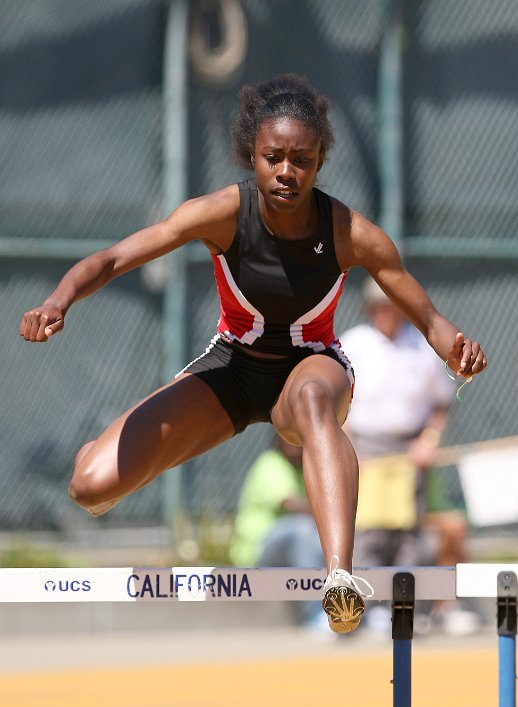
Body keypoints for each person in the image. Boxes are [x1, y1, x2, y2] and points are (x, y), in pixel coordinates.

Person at [18, 73, 487, 634]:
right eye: (273, 158)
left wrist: (454, 350)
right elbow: (116, 258)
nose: (287, 172)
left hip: (310, 367)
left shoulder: (350, 233)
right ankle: (102, 447)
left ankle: (340, 578)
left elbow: (431, 321)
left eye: (302, 161)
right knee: (90, 488)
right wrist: (58, 299)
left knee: (314, 398)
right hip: (232, 370)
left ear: (319, 163)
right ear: (252, 156)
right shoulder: (219, 213)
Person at [340, 278, 480, 635]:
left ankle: (405, 606)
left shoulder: (420, 347)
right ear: (370, 309)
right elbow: (337, 400)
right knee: (369, 531)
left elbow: (441, 401)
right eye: (381, 306)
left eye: (393, 306)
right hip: (364, 446)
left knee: (409, 532)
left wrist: (428, 441)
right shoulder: (353, 343)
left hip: (409, 448)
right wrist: (347, 448)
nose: (388, 313)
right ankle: (369, 608)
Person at [230, 436, 326, 630]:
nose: (296, 445)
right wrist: (333, 516)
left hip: (288, 550)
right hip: (256, 549)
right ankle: (313, 614)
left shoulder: (303, 467)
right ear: (280, 441)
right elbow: (291, 503)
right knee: (304, 528)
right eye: (291, 439)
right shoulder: (271, 463)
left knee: (321, 534)